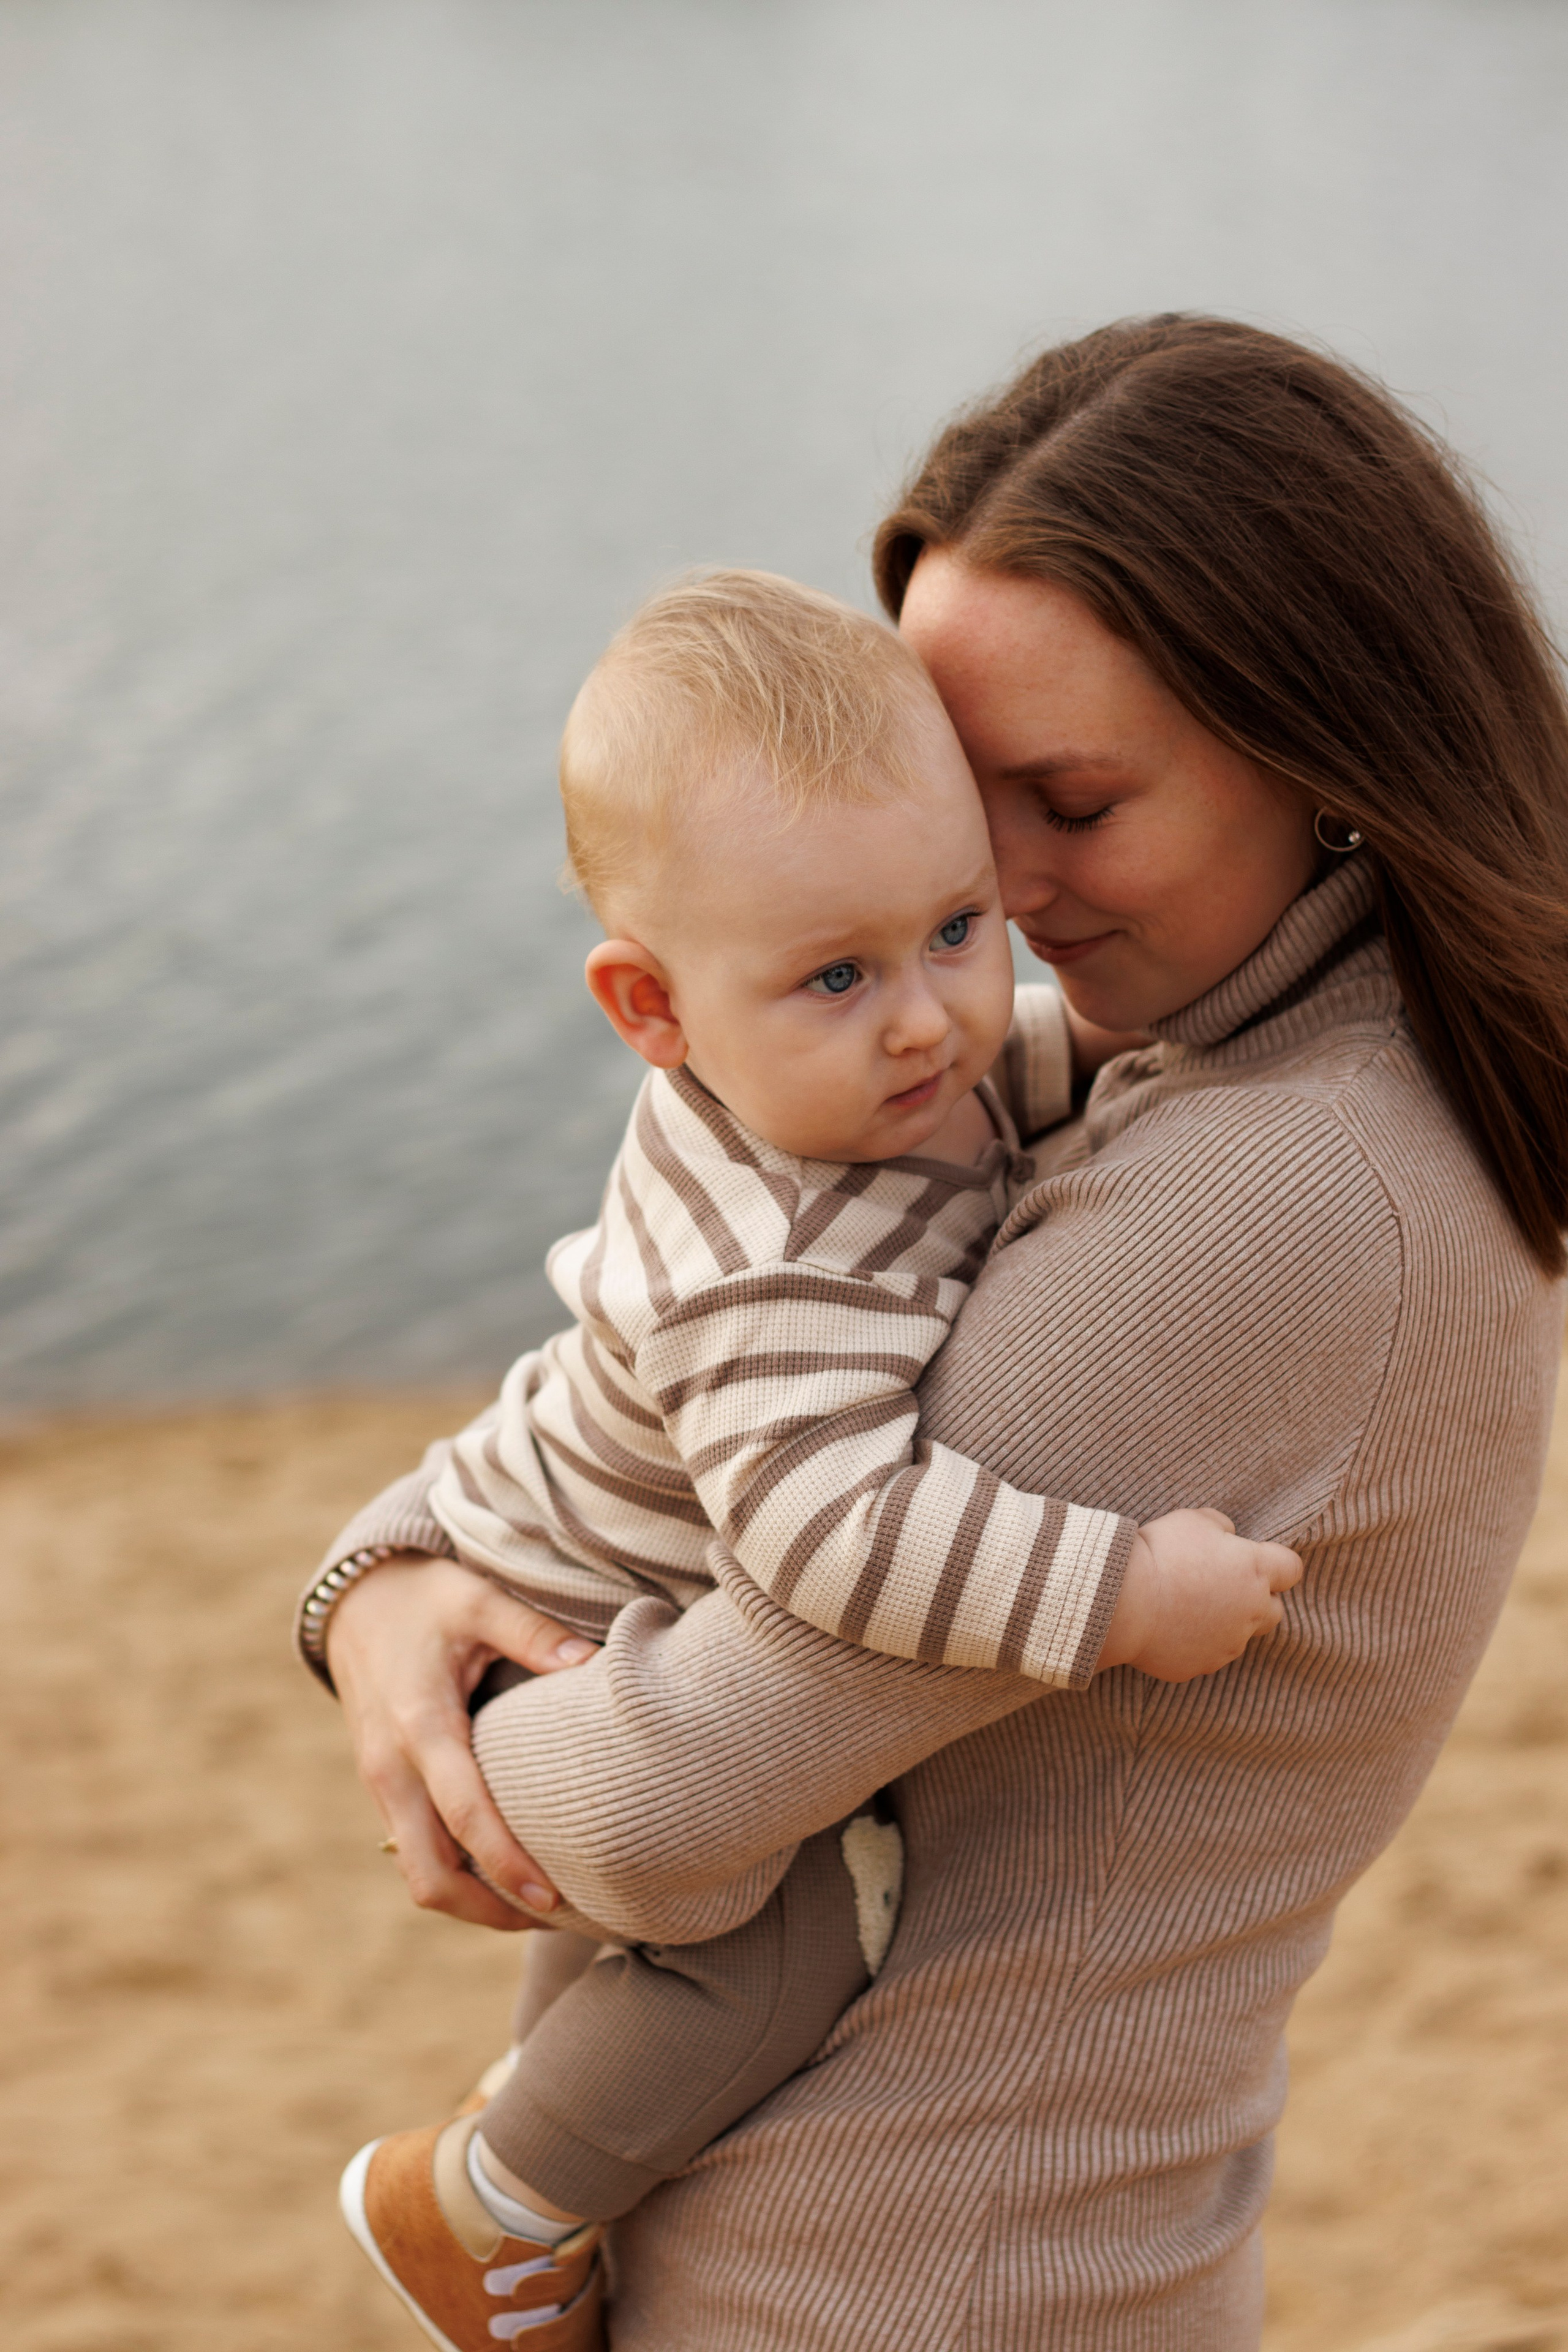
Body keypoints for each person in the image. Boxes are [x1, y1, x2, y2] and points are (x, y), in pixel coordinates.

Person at [311, 316, 1568, 2350]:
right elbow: (683, 1374)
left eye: (1069, 800)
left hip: (909, 2279)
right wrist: (383, 1584)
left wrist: (452, 1694)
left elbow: (641, 1810)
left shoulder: (1279, 1196)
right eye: (964, 802)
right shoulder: (1221, 1060)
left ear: (1325, 735)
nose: (991, 891)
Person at [304, 568, 1296, 2350]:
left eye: (957, 927)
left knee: (620, 1971)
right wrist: (1122, 1591)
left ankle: (538, 2144)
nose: (927, 1018)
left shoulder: (861, 1070)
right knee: (784, 1939)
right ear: (652, 1010)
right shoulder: (777, 1261)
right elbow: (839, 1541)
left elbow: (1016, 1081)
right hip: (569, 1617)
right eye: (837, 972)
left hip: (560, 1534)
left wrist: (1125, 1063)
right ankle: (486, 2205)